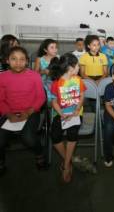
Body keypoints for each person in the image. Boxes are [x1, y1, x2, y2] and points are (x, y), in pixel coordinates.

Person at [0, 47, 47, 176]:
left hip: (31, 111)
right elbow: (1, 99)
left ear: (27, 61)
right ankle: (1, 161)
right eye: (14, 59)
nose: (18, 62)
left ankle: (39, 154)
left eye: (22, 59)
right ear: (7, 61)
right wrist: (8, 113)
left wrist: (29, 112)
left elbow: (41, 97)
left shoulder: (34, 76)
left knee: (28, 138)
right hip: (9, 112)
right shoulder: (2, 77)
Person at [49, 53, 86, 183]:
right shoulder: (57, 83)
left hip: (76, 113)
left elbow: (82, 96)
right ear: (71, 67)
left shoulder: (78, 80)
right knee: (55, 135)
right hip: (61, 114)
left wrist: (77, 109)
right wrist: (61, 113)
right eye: (77, 66)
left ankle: (65, 166)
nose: (79, 68)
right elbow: (53, 102)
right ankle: (68, 160)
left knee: (72, 133)